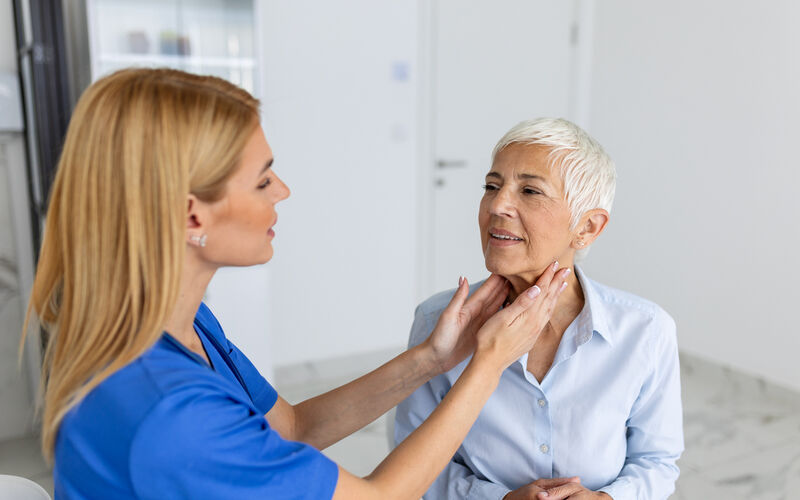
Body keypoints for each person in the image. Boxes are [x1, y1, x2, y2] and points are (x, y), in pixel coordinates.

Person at [22, 68, 574, 499]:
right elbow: (378, 497)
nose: (282, 191)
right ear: (193, 217)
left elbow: (290, 425)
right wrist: (486, 364)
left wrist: (434, 358)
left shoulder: (177, 324)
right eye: (263, 179)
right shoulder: (168, 412)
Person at [395, 118, 683, 500]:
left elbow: (658, 462)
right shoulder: (438, 322)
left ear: (588, 228)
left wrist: (609, 499)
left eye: (530, 190)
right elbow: (412, 471)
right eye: (491, 186)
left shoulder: (646, 330)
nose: (497, 205)